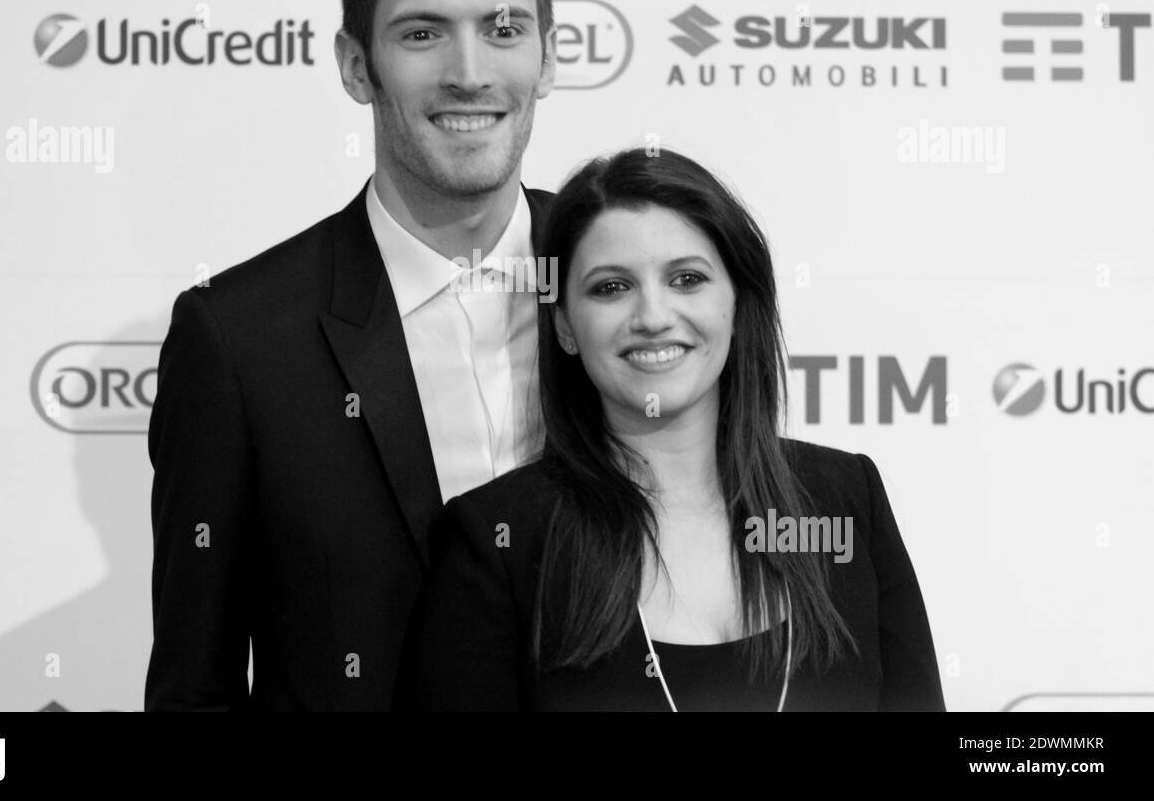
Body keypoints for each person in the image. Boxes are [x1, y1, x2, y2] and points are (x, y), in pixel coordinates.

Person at [145, 0, 559, 710]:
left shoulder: (637, 295)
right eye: (422, 33)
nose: (469, 72)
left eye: (504, 28)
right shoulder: (241, 341)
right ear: (355, 65)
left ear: (548, 56)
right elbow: (197, 686)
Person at [400, 147, 945, 711]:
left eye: (687, 279)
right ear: (564, 325)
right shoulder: (499, 540)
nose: (653, 317)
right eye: (611, 287)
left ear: (738, 303)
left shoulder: (842, 499)